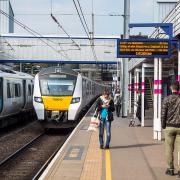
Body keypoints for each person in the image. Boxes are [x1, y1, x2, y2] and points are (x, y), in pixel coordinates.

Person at [161, 81, 180, 177]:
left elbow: (163, 113)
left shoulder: (166, 99)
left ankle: (170, 169)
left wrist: (163, 125)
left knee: (169, 149)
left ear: (171, 88)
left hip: (169, 127)